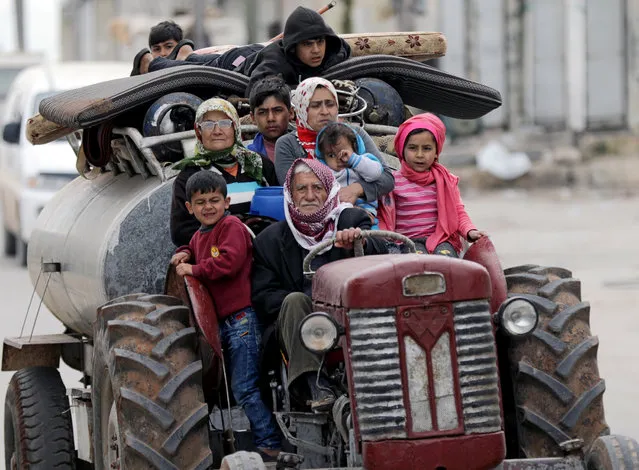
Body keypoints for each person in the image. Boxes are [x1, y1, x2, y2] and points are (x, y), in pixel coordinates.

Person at [251, 159, 387, 411]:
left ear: (329, 190)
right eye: (301, 189)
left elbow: (382, 252)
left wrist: (360, 243)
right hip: (300, 326)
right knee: (293, 300)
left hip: (349, 317)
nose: (310, 196)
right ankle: (313, 384)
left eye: (317, 188)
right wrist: (312, 305)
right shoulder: (268, 241)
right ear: (290, 195)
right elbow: (263, 297)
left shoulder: (350, 218)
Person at [170, 171, 281, 461]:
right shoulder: (198, 236)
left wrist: (194, 270)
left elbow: (228, 262)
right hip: (225, 324)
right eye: (201, 202)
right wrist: (184, 252)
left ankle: (270, 442)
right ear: (189, 208)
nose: (208, 207)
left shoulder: (231, 226)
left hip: (242, 320)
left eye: (215, 200)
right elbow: (194, 249)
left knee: (244, 386)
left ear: (227, 202)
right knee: (235, 387)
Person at [170, 98, 278, 247]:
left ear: (235, 127)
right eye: (208, 124)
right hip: (221, 259)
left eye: (225, 123)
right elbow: (181, 232)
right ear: (198, 131)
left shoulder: (257, 164)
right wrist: (233, 233)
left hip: (267, 250)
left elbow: (282, 204)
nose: (217, 131)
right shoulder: (190, 175)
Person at [378, 113, 488, 257]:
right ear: (401, 150)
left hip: (441, 240)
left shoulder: (445, 180)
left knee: (448, 264)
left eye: (427, 148)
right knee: (418, 263)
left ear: (437, 152)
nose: (419, 154)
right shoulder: (392, 182)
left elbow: (458, 212)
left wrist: (470, 231)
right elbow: (381, 215)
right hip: (407, 242)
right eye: (412, 148)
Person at [274, 77, 394, 208]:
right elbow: (291, 190)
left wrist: (356, 189)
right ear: (301, 109)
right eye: (315, 105)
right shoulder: (288, 144)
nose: (325, 112)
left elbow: (387, 178)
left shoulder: (354, 134)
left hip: (363, 212)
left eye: (330, 104)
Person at [241, 6, 351, 92]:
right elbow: (254, 91)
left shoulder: (334, 51)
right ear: (293, 47)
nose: (316, 50)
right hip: (239, 58)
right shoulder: (275, 62)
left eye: (320, 42)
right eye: (308, 44)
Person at [315, 122, 383, 227]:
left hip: (367, 213)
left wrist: (354, 159)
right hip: (337, 216)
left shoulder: (362, 162)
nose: (339, 159)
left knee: (372, 238)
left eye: (344, 153)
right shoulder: (323, 172)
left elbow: (376, 173)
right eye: (331, 155)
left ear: (355, 148)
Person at [247, 76, 294, 162]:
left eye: (277, 110)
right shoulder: (247, 158)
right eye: (262, 112)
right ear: (252, 118)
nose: (270, 118)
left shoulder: (306, 150)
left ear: (291, 113)